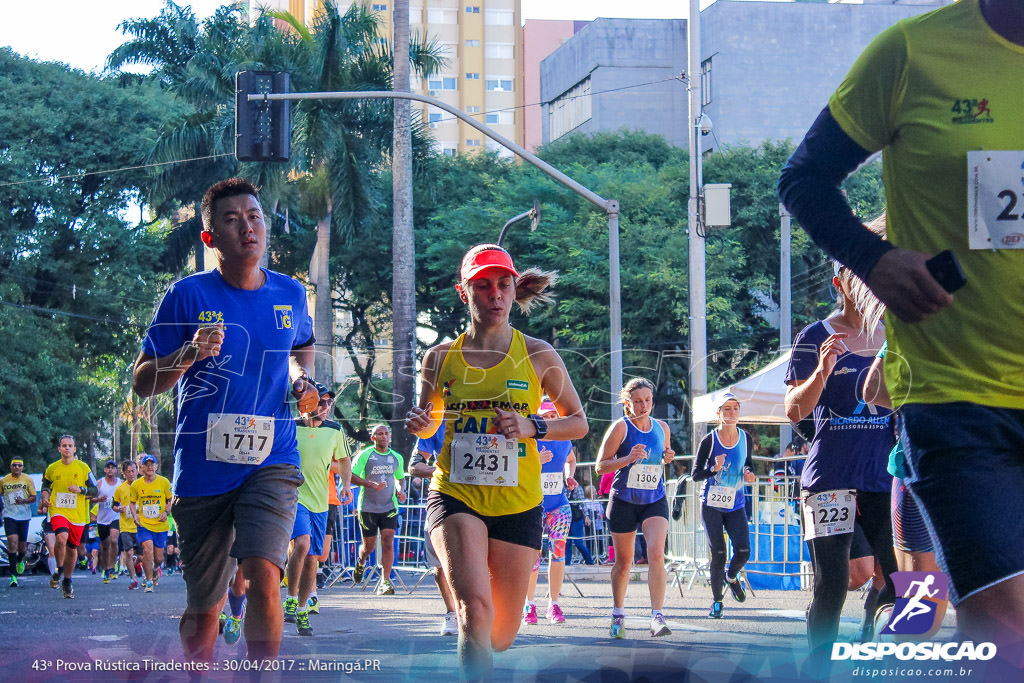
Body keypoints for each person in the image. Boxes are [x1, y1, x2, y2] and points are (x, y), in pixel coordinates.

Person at [779, 0, 1024, 663]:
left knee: (918, 595)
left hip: (886, 468)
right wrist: (875, 261)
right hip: (948, 408)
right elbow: (803, 178)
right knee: (940, 603)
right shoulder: (914, 52)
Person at [132, 177, 318, 661]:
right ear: (210, 238)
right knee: (206, 605)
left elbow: (302, 347)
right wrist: (188, 354)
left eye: (255, 217)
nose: (247, 227)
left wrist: (302, 380)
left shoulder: (291, 294)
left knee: (264, 578)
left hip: (272, 458)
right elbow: (142, 381)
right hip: (203, 466)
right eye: (232, 220)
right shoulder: (186, 296)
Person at [404, 244, 588, 677]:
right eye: (483, 286)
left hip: (518, 503)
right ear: (463, 292)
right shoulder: (440, 357)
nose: (495, 294)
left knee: (501, 633)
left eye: (503, 285)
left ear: (513, 289)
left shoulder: (539, 354)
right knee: (474, 611)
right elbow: (431, 423)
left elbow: (578, 422)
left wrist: (532, 427)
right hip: (454, 494)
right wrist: (420, 422)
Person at [783, 259, 897, 658]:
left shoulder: (896, 335)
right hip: (829, 478)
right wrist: (821, 372)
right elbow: (794, 411)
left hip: (886, 478)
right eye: (858, 276)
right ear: (840, 283)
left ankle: (872, 637)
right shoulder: (816, 336)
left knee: (907, 582)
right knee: (832, 585)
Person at [595, 377, 676, 639]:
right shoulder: (620, 428)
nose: (644, 406)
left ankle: (657, 617)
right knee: (624, 562)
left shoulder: (662, 427)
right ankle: (618, 613)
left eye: (648, 400)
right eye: (638, 402)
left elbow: (662, 456)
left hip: (654, 498)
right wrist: (627, 458)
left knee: (656, 554)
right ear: (628, 404)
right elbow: (600, 466)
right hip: (624, 501)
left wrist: (667, 457)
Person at [282, 384, 352, 636]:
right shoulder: (290, 426)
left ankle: (302, 610)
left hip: (321, 502)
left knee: (314, 556)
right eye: (321, 402)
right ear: (308, 403)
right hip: (293, 496)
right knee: (301, 543)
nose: (325, 408)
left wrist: (346, 486)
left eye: (328, 404)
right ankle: (290, 598)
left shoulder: (335, 430)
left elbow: (344, 459)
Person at [691, 393, 756, 619]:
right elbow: (695, 474)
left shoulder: (745, 438)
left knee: (744, 551)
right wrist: (714, 470)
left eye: (735, 409)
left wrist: (749, 475)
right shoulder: (709, 440)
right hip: (711, 504)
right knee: (718, 552)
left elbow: (749, 465)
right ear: (718, 414)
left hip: (736, 503)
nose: (731, 413)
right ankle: (717, 602)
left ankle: (732, 576)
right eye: (726, 409)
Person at [523, 399, 578, 625]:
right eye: (544, 417)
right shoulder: (529, 440)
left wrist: (569, 475)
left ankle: (553, 604)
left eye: (553, 416)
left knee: (558, 552)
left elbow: (571, 459)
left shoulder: (565, 439)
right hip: (533, 506)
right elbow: (516, 468)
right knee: (533, 556)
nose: (549, 420)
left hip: (558, 504)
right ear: (537, 419)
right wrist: (535, 460)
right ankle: (529, 604)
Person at [409, 419, 459, 636]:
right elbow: (414, 466)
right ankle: (451, 613)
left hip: (482, 498)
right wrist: (442, 471)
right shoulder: (437, 423)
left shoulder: (488, 413)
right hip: (444, 496)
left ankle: (480, 610)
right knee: (440, 562)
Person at [350, 424, 406, 596]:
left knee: (388, 541)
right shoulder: (365, 455)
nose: (384, 436)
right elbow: (351, 476)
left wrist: (400, 490)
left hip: (389, 506)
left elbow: (400, 477)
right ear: (373, 438)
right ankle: (361, 561)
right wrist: (369, 483)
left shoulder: (396, 457)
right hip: (368, 507)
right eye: (379, 434)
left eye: (386, 433)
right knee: (369, 547)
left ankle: (385, 581)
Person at [39, 435, 97, 599]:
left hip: (77, 515)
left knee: (72, 550)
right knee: (61, 537)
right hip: (58, 510)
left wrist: (81, 489)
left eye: (69, 445)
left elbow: (95, 490)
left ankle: (66, 580)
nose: (66, 448)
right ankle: (59, 567)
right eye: (63, 445)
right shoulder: (52, 468)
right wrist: (44, 497)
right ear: (59, 449)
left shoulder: (83, 467)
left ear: (74, 449)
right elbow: (45, 485)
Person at [130, 454, 173, 593]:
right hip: (144, 525)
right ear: (141, 467)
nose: (149, 467)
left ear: (156, 466)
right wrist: (135, 515)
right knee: (147, 550)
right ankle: (148, 581)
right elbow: (132, 502)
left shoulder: (164, 482)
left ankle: (155, 569)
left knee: (159, 558)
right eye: (146, 464)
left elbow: (170, 500)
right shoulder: (136, 484)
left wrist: (166, 513)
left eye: (151, 464)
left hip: (160, 525)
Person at [2, 458, 37, 587]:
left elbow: (34, 497)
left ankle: (20, 559)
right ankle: (13, 576)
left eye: (19, 465)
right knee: (12, 543)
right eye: (14, 465)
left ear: (23, 467)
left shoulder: (27, 479)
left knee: (21, 547)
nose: (17, 467)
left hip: (23, 516)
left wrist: (24, 501)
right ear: (10, 467)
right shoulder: (4, 480)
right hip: (9, 516)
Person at [112, 460, 141, 589]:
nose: (131, 474)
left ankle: (137, 564)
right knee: (128, 553)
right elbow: (114, 505)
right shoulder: (120, 489)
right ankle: (133, 579)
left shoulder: (143, 485)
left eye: (133, 470)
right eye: (128, 471)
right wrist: (119, 509)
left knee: (141, 555)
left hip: (141, 525)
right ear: (124, 473)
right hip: (125, 526)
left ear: (137, 471)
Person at [93, 460, 122, 583]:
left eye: (113, 467)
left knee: (114, 540)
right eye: (108, 467)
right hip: (102, 519)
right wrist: (99, 499)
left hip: (115, 517)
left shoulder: (121, 483)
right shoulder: (100, 483)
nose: (110, 470)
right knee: (104, 546)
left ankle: (111, 567)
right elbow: (90, 499)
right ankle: (105, 569)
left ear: (116, 470)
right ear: (105, 470)